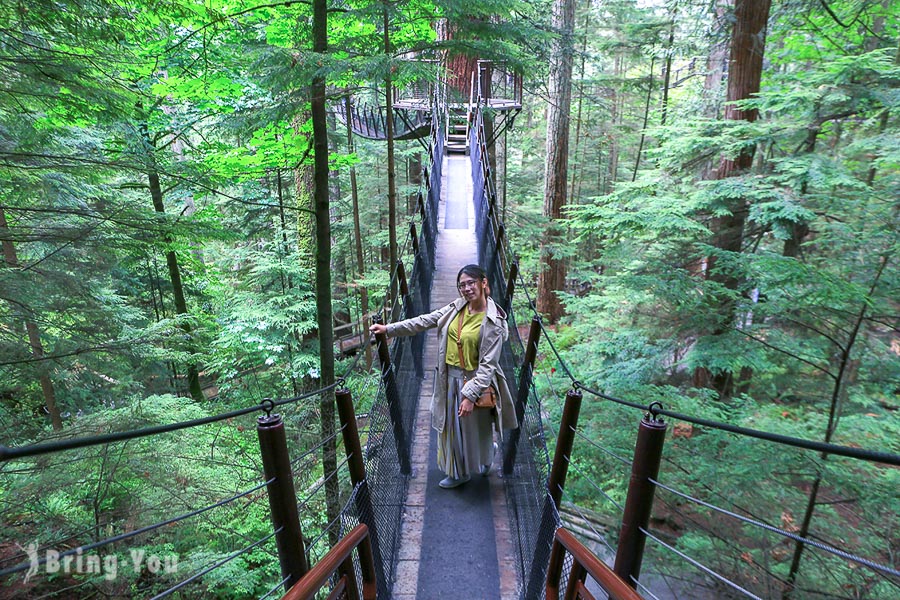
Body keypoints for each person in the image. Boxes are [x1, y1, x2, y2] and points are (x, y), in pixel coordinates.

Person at [370, 264, 518, 488]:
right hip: (448, 380)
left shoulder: (493, 322)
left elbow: (488, 366)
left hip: (476, 381)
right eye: (462, 285)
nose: (466, 289)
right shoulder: (457, 307)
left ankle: (487, 457)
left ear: (483, 283)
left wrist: (470, 396)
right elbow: (425, 320)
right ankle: (458, 473)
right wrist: (389, 329)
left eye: (471, 283)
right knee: (450, 428)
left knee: (477, 428)